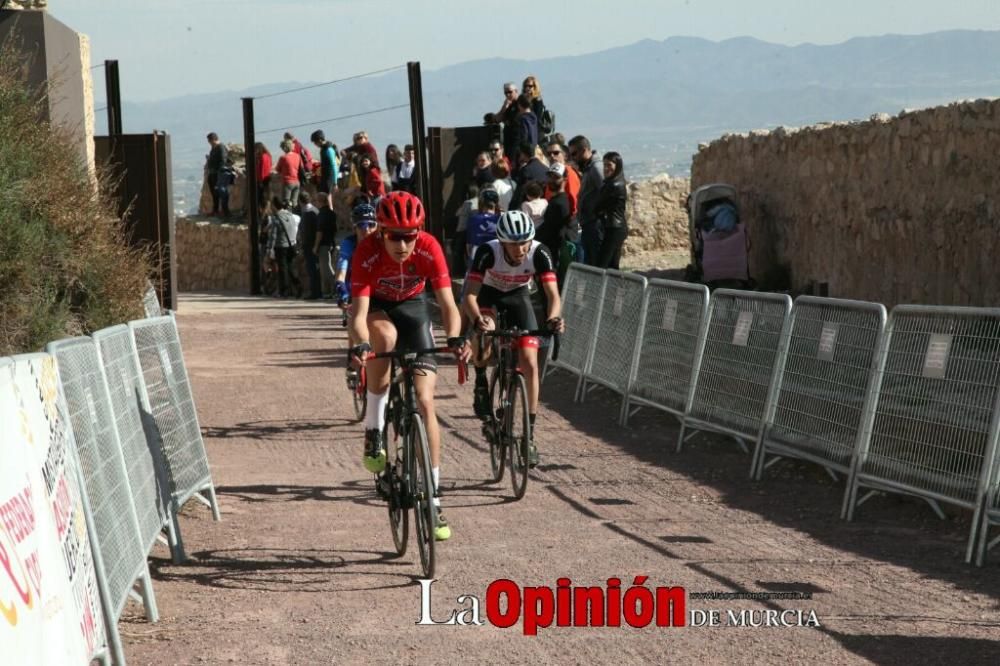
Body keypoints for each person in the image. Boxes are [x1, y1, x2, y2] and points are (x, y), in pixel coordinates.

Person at [349, 192, 472, 542]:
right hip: (378, 309)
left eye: (410, 235)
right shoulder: (367, 252)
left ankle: (433, 496)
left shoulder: (429, 248)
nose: (402, 245)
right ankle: (374, 428)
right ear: (380, 231)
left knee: (426, 400)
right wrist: (360, 344)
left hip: (415, 309)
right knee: (383, 338)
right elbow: (357, 317)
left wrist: (457, 337)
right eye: (393, 236)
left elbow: (448, 304)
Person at [463, 210, 565, 467]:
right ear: (502, 241)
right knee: (485, 337)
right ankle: (480, 381)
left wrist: (553, 319)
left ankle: (528, 436)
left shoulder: (539, 253)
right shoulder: (487, 252)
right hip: (488, 295)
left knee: (530, 361)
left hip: (518, 296)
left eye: (524, 242)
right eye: (513, 243)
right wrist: (478, 320)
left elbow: (552, 295)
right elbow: (469, 297)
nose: (520, 249)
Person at [335, 202, 379, 355]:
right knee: (354, 316)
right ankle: (352, 356)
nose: (366, 229)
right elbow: (342, 268)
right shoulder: (349, 243)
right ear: (354, 227)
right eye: (361, 226)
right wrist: (340, 287)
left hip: (377, 286)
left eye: (371, 224)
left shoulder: (383, 242)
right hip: (354, 286)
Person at [568, 135, 603, 265]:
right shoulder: (589, 168)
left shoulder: (596, 168)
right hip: (588, 224)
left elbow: (606, 193)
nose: (573, 158)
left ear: (584, 150)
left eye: (574, 154)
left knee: (596, 264)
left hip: (595, 225)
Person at [594, 151, 629, 270]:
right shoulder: (614, 182)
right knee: (613, 265)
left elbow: (598, 205)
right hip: (615, 227)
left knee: (602, 264)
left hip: (614, 228)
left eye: (609, 165)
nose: (606, 168)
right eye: (604, 165)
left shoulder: (614, 185)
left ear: (617, 166)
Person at [266, 197, 301, 298]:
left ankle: (284, 291)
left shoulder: (276, 218)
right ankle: (298, 287)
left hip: (280, 246)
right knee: (290, 268)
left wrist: (269, 250)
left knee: (282, 270)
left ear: (274, 206)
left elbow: (273, 236)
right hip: (291, 245)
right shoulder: (290, 215)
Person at [466, 188, 501, 264]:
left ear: (481, 203)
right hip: (497, 255)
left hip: (477, 255)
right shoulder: (502, 219)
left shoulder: (473, 218)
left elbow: (468, 245)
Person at [297, 192, 322, 299]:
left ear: (300, 201)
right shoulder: (314, 211)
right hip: (312, 245)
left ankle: (316, 292)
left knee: (313, 269)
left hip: (311, 246)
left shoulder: (309, 212)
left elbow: (312, 231)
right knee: (313, 269)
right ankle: (316, 291)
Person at [311, 129, 339, 209]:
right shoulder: (323, 149)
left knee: (327, 197)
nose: (315, 144)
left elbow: (333, 165)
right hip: (325, 176)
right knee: (324, 197)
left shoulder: (328, 150)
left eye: (315, 142)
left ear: (320, 140)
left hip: (329, 177)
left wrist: (335, 182)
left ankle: (329, 214)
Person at [317, 193, 338, 298]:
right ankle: (330, 291)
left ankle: (336, 288)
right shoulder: (332, 213)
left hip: (324, 244)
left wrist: (315, 246)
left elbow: (319, 232)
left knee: (326, 269)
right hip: (331, 242)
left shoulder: (322, 214)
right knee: (327, 267)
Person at [205, 132, 227, 217]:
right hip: (212, 173)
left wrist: (219, 173)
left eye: (210, 141)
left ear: (213, 139)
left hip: (217, 174)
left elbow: (223, 160)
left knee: (219, 193)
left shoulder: (221, 147)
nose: (209, 143)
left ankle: (223, 211)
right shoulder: (214, 148)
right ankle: (215, 210)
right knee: (214, 194)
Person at [276, 139, 302, 208]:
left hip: (287, 182)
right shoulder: (298, 156)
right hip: (297, 182)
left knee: (286, 203)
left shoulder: (283, 157)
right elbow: (300, 168)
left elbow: (277, 169)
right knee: (294, 203)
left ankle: (288, 218)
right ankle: (295, 217)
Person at [254, 142, 273, 214]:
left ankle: (262, 215)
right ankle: (264, 214)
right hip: (266, 179)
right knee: (265, 198)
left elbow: (262, 170)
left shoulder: (262, 157)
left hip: (262, 180)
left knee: (261, 199)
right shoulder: (268, 156)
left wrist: (260, 181)